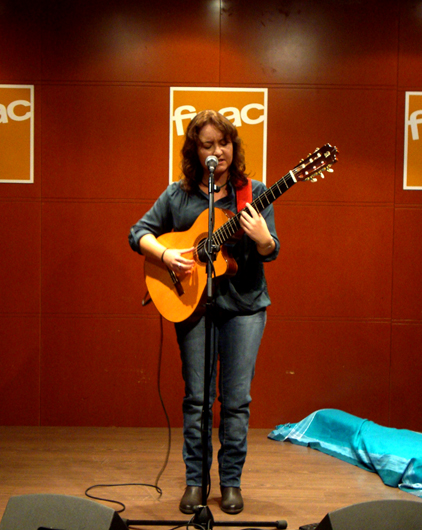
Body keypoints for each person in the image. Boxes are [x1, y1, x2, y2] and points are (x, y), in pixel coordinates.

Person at [128, 110, 279, 515]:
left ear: (234, 146)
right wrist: (167, 256)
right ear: (195, 151)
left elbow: (271, 250)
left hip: (245, 307)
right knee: (197, 399)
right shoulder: (178, 195)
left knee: (236, 401)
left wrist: (263, 239)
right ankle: (195, 481)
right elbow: (138, 233)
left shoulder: (253, 193)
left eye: (224, 143)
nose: (218, 151)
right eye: (208, 145)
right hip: (194, 307)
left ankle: (230, 483)